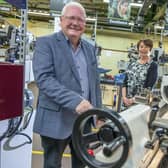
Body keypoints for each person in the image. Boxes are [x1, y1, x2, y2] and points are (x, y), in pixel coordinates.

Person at [32, 2, 102, 168]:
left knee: (82, 163)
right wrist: (75, 101)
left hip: (83, 121)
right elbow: (44, 80)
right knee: (52, 164)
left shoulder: (90, 48)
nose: (75, 23)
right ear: (61, 20)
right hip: (56, 118)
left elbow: (94, 82)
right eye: (71, 18)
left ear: (85, 24)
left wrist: (99, 113)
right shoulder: (45, 44)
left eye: (80, 20)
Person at [122, 39, 158, 106]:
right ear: (138, 49)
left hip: (141, 102)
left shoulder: (152, 65)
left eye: (146, 47)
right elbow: (124, 83)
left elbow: (149, 87)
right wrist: (124, 97)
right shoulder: (132, 63)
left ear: (150, 49)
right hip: (126, 102)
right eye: (141, 47)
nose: (143, 49)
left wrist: (132, 100)